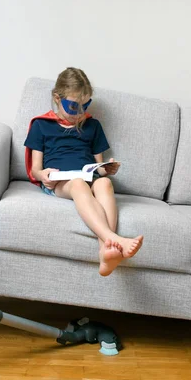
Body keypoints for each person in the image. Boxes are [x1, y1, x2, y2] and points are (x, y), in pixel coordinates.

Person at [24, 67, 143, 276]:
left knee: (104, 184)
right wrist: (44, 175)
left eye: (85, 106)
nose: (79, 113)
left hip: (90, 175)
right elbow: (35, 169)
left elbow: (98, 165)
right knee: (79, 183)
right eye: (73, 106)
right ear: (57, 98)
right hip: (61, 181)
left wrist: (107, 169)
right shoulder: (41, 125)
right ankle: (112, 239)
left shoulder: (93, 126)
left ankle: (105, 252)